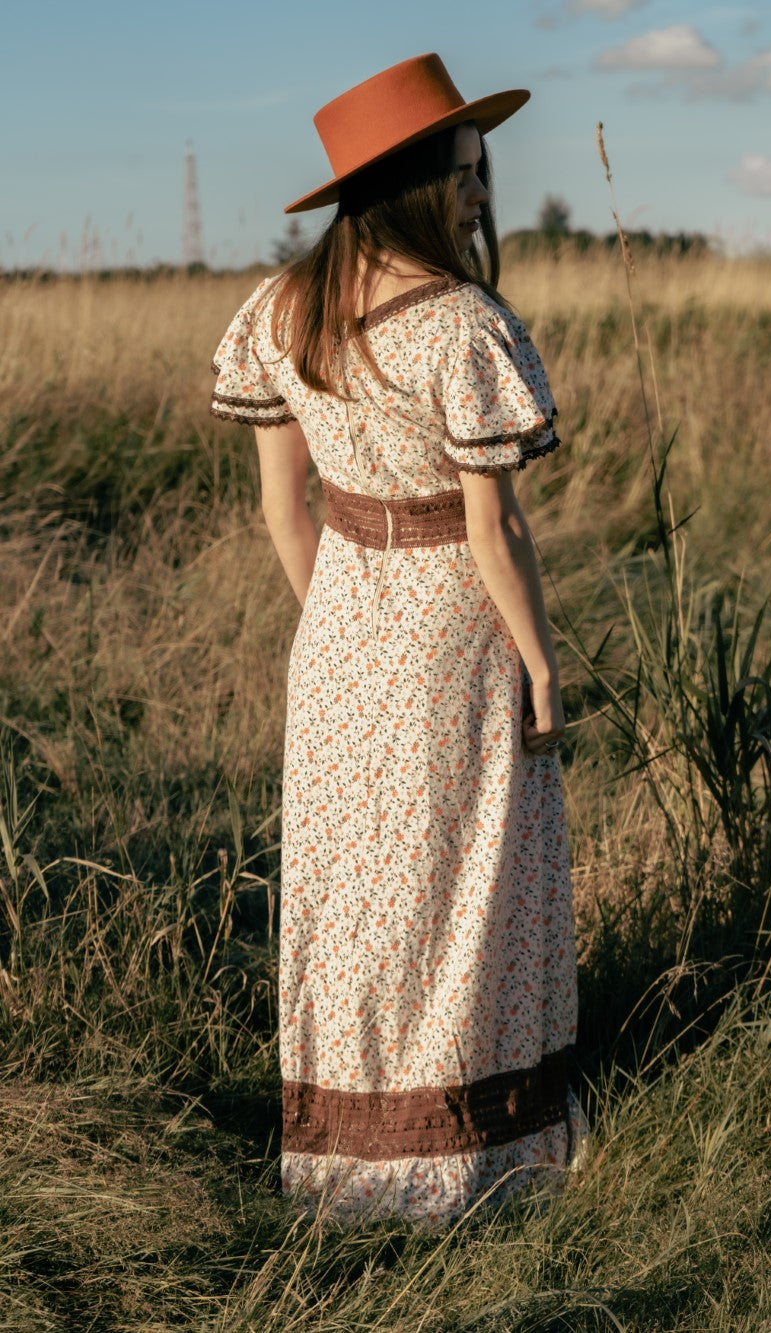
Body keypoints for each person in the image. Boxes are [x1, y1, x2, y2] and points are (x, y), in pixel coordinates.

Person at [210, 53, 580, 1226]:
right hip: (452, 628)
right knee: (466, 879)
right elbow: (494, 527)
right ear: (414, 184)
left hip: (339, 626)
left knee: (357, 884)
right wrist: (541, 663)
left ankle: (346, 1164)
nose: (478, 193)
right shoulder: (463, 324)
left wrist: (346, 624)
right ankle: (474, 1155)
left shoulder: (279, 310)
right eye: (464, 173)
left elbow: (284, 510)